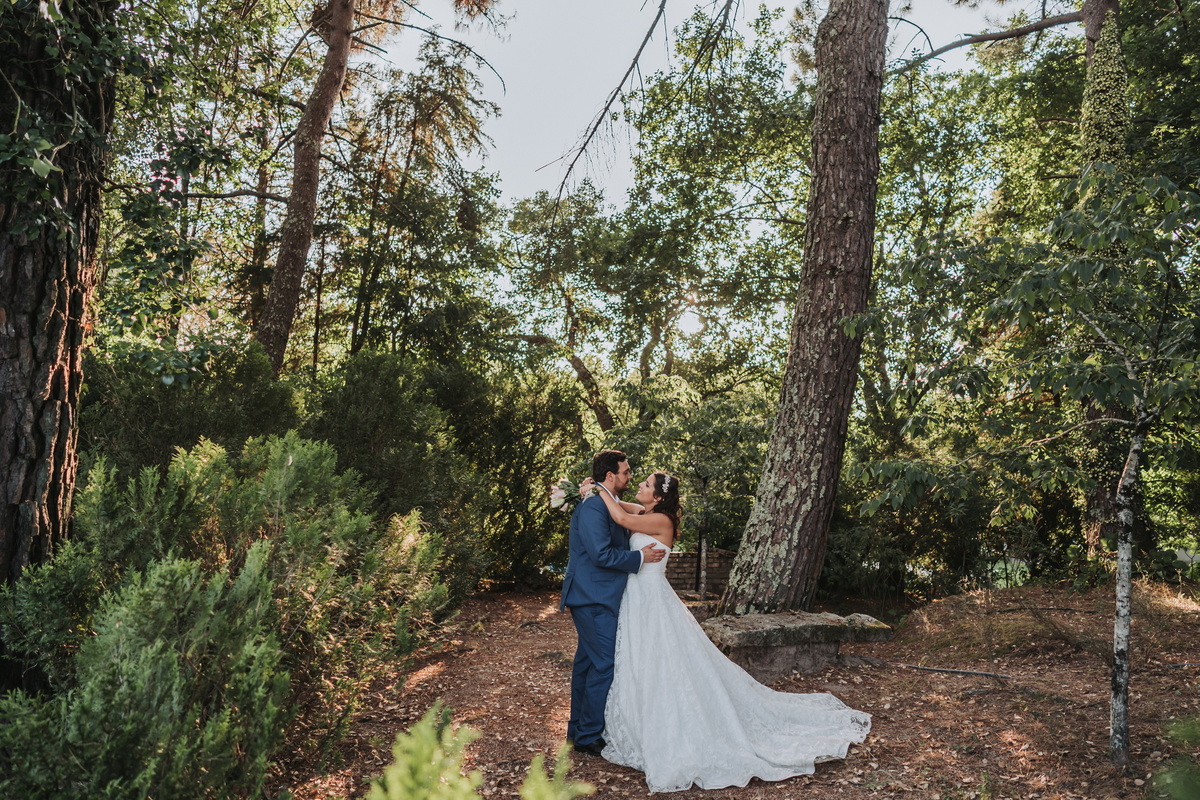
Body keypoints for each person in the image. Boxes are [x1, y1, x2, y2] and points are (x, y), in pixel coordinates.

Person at [587, 470, 872, 793]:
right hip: (637, 598)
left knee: (662, 660)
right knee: (642, 659)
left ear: (659, 496)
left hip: (651, 598)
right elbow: (619, 504)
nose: (639, 484)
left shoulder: (661, 520)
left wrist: (597, 487)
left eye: (646, 484)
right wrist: (594, 492)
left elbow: (620, 518)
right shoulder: (646, 511)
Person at [560, 450, 666, 757]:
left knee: (587, 664)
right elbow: (601, 554)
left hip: (598, 595)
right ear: (610, 475)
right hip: (593, 596)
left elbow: (630, 515)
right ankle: (588, 735)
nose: (630, 476)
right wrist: (639, 557)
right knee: (604, 664)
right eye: (626, 472)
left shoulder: (605, 501)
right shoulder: (595, 506)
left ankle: (577, 730)